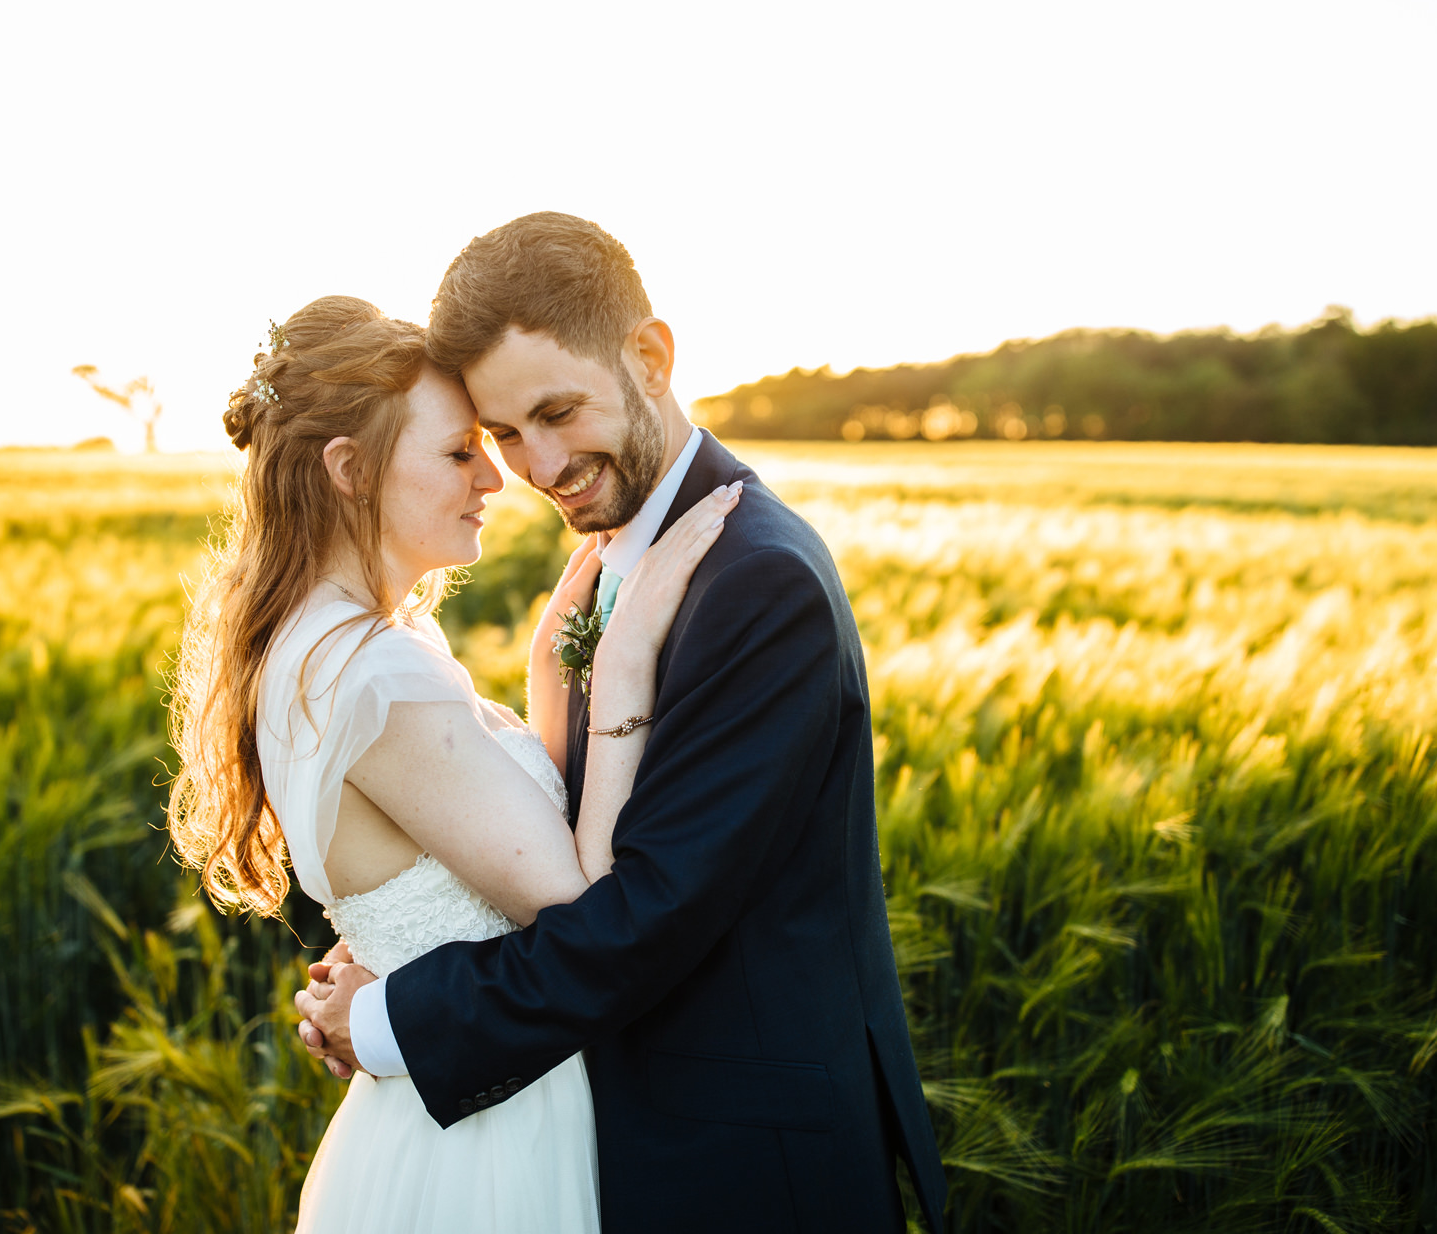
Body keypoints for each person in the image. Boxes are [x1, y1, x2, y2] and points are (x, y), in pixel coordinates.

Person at [295, 213, 948, 1233]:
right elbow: (561, 851)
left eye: (558, 412)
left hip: (740, 1164)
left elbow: (644, 915)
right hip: (621, 1137)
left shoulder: (755, 580)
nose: (539, 464)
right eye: (505, 433)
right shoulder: (613, 560)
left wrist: (388, 1018)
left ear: (649, 357)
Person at [167, 294, 742, 1233]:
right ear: (350, 470)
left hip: (446, 1112)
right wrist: (623, 664)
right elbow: (585, 913)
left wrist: (551, 665)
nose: (496, 476)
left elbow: (470, 846)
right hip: (488, 1149)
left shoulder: (320, 644)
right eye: (458, 451)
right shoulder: (376, 672)